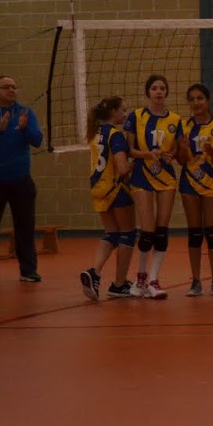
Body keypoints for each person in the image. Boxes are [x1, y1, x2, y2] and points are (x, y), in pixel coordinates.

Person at [0, 74, 43, 284]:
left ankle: (28, 270)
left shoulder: (25, 113)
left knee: (25, 227)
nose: (11, 90)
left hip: (21, 180)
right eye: (6, 87)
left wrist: (24, 128)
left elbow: (37, 140)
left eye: (14, 87)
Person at [124, 74, 182, 299]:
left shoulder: (175, 119)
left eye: (162, 88)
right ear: (148, 92)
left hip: (166, 177)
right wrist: (149, 154)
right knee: (147, 231)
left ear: (166, 93)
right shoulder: (136, 116)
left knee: (161, 230)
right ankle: (140, 277)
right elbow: (129, 150)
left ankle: (155, 280)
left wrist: (171, 155)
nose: (158, 92)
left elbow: (176, 151)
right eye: (154, 88)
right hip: (141, 175)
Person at [78, 95, 137, 302]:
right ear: (113, 112)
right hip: (116, 188)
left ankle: (94, 271)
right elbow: (122, 168)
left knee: (112, 233)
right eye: (123, 110)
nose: (125, 113)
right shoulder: (115, 135)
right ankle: (120, 284)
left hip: (98, 188)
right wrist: (137, 163)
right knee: (128, 234)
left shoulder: (95, 134)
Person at [178, 83, 213, 297]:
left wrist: (210, 149)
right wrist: (182, 147)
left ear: (207, 100)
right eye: (192, 99)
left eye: (200, 98)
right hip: (189, 182)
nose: (196, 103)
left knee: (212, 230)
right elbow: (181, 161)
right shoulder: (184, 125)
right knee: (195, 232)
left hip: (212, 182)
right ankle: (196, 281)